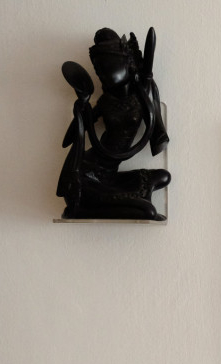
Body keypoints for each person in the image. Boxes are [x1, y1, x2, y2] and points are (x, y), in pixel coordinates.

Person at [57, 27, 170, 220]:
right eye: (98, 70)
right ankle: (85, 207)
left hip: (111, 175)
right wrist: (81, 109)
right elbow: (69, 140)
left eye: (107, 67)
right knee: (148, 211)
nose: (102, 74)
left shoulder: (142, 94)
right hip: (90, 171)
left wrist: (147, 84)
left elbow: (158, 139)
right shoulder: (105, 102)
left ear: (127, 63)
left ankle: (91, 206)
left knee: (163, 176)